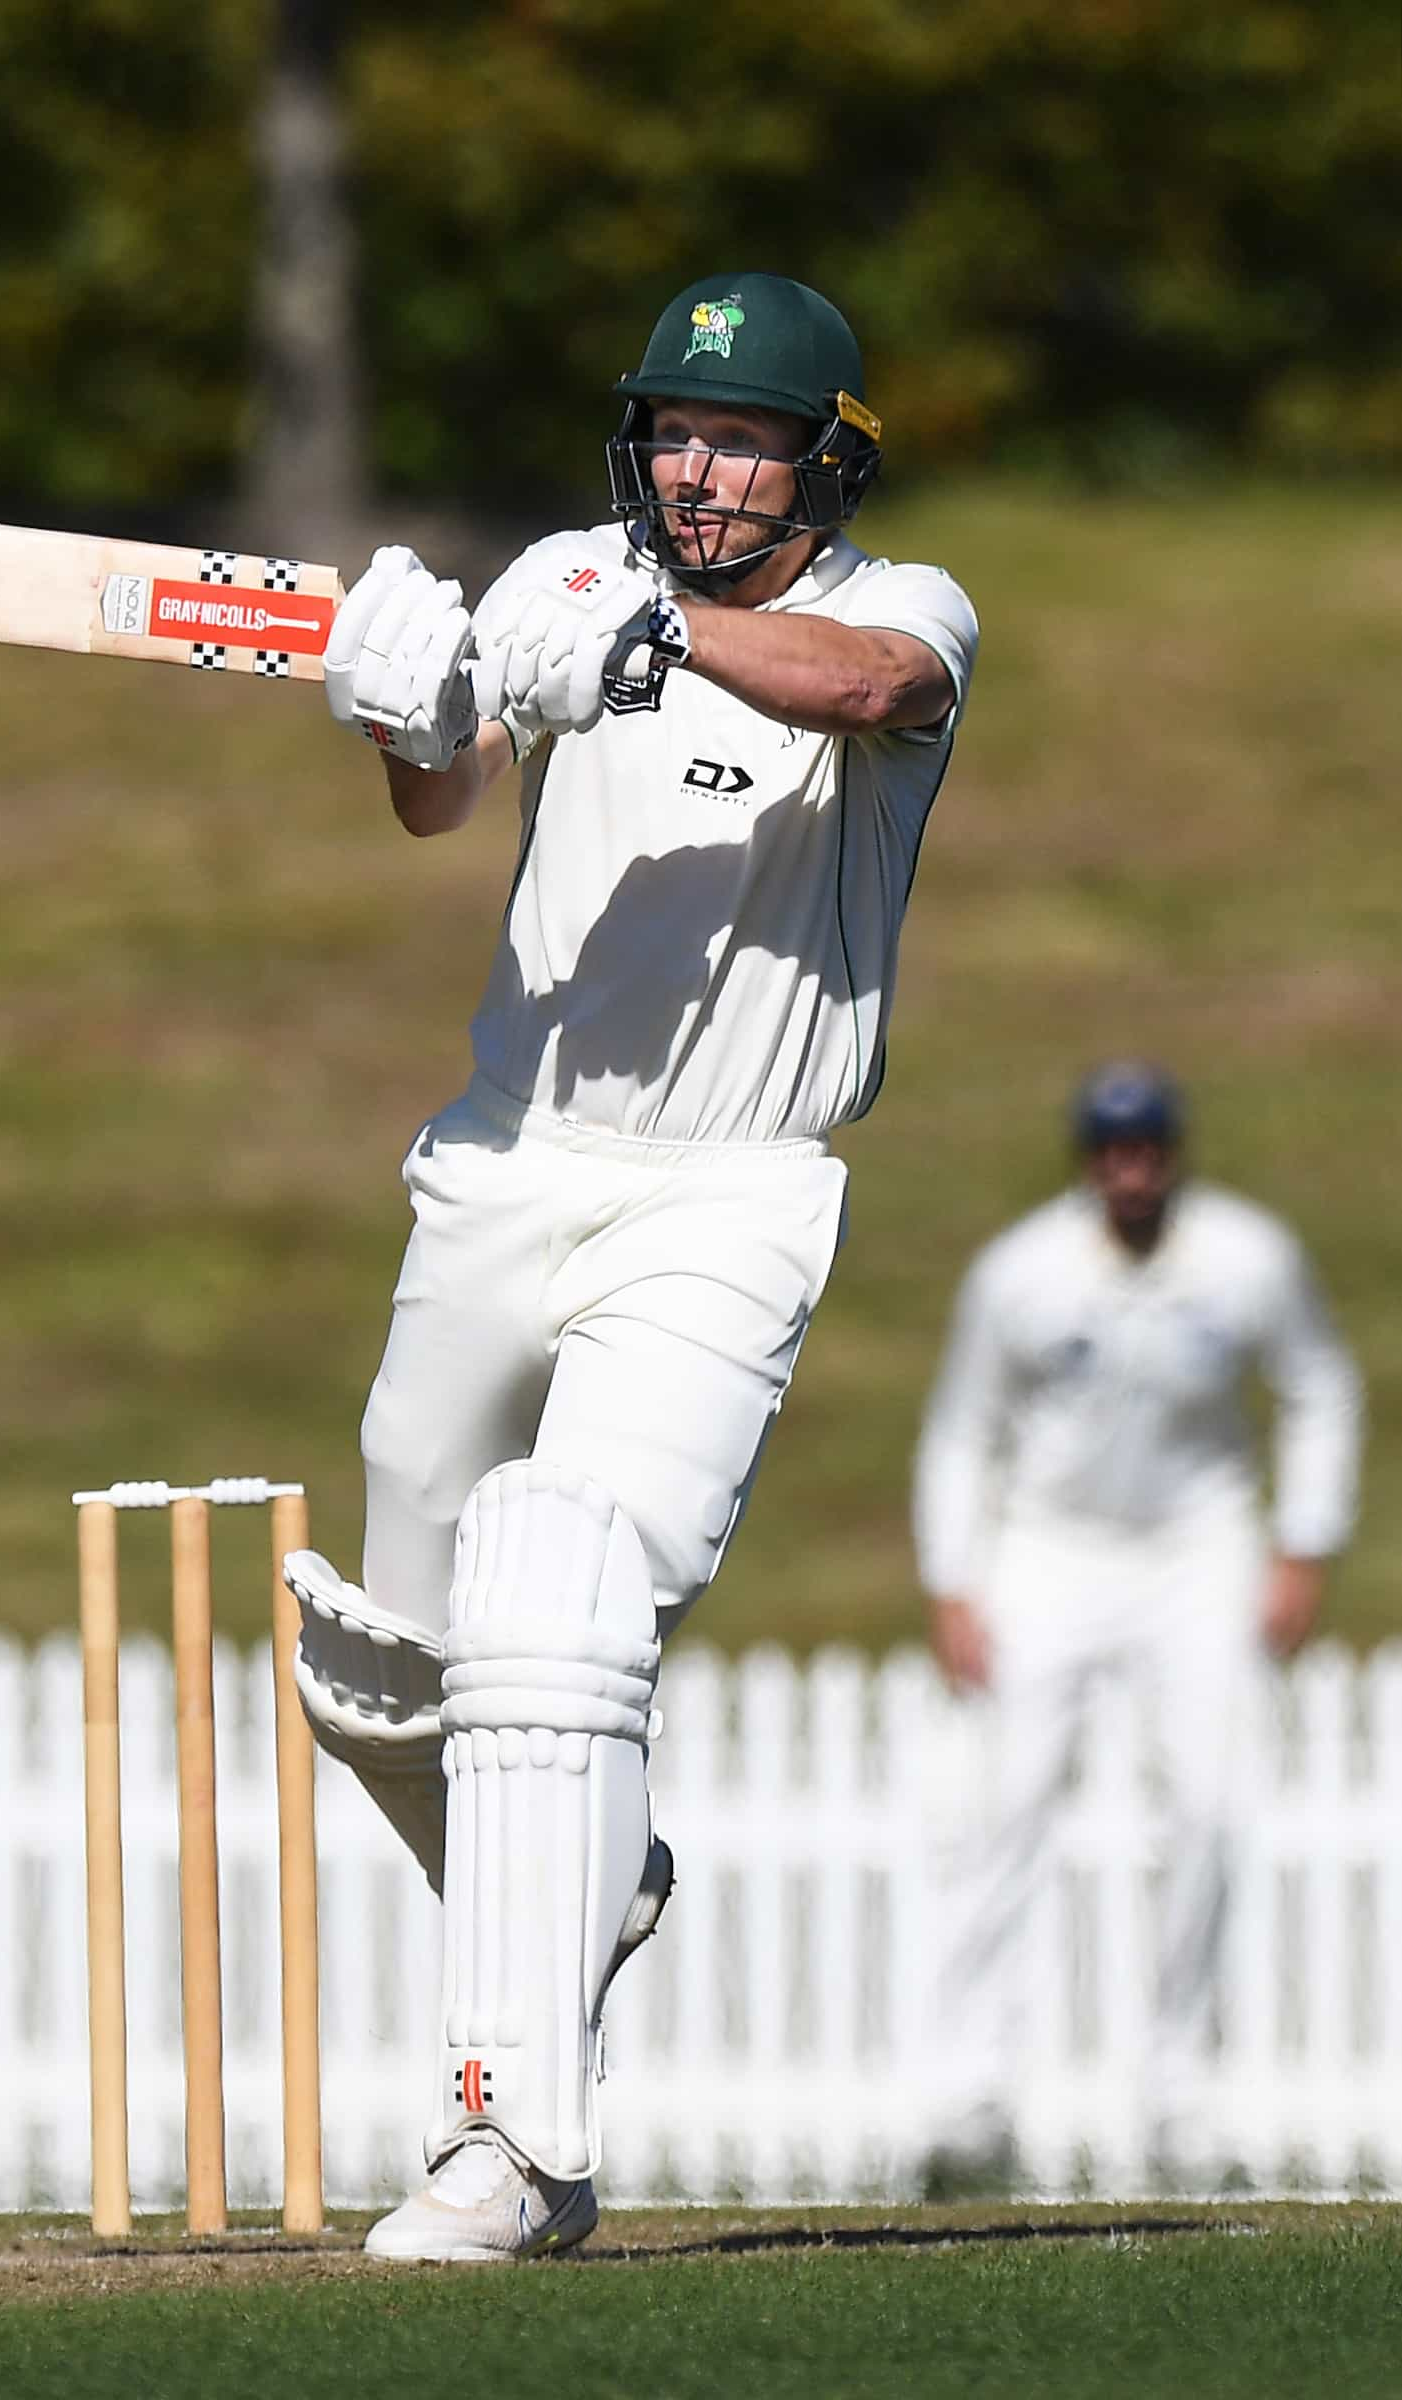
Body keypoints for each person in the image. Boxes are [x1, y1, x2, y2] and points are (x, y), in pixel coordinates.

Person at [284, 272, 979, 2259]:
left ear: (818, 458)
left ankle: (512, 2146)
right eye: (672, 432)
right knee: (378, 1665)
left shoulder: (903, 604)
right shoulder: (563, 574)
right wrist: (411, 713)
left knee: (562, 1588)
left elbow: (865, 693)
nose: (692, 468)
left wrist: (665, 635)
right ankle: (599, 1863)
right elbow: (444, 798)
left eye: (738, 437)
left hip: (725, 1192)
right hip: (500, 1162)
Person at [912, 1063, 1363, 2188]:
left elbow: (1318, 1387)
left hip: (1196, 1549)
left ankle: (1177, 2100)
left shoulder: (1243, 1258)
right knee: (1006, 1807)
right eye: (1109, 1149)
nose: (1129, 1168)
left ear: (1170, 1151)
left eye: (1146, 1146)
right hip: (1048, 1551)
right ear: (1084, 1158)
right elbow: (960, 1431)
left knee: (1209, 1804)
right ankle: (969, 2102)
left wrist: (1301, 1543)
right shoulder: (1020, 1273)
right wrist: (953, 1583)